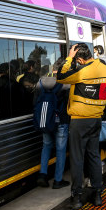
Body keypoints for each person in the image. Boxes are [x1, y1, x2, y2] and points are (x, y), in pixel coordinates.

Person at [57, 43, 106, 209]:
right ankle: (97, 195)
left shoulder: (80, 71)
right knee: (94, 156)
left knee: (77, 158)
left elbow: (61, 77)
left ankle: (77, 197)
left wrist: (69, 57)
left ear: (80, 59)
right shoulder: (105, 70)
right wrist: (96, 97)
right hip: (96, 119)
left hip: (79, 120)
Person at [34, 57, 71, 189]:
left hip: (46, 120)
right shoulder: (67, 84)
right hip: (61, 120)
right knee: (61, 150)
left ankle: (43, 175)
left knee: (46, 146)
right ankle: (57, 180)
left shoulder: (41, 81)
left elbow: (35, 101)